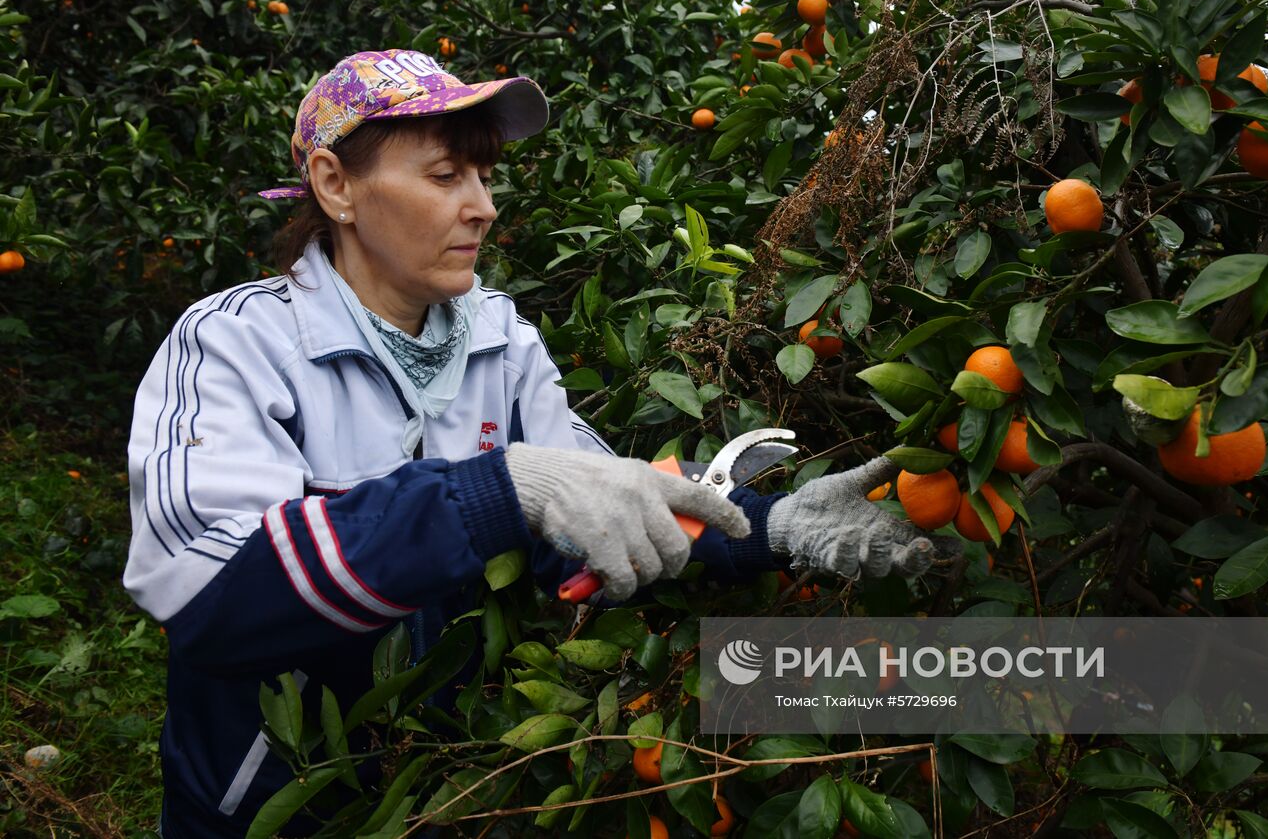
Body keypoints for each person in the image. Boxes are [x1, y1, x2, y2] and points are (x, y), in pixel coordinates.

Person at [122, 49, 951, 837]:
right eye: (445, 175)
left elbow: (599, 497)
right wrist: (495, 489)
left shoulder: (498, 337)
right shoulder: (234, 345)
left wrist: (770, 527)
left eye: (483, 174)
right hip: (267, 795)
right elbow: (211, 595)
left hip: (454, 779)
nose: (481, 204)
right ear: (336, 184)